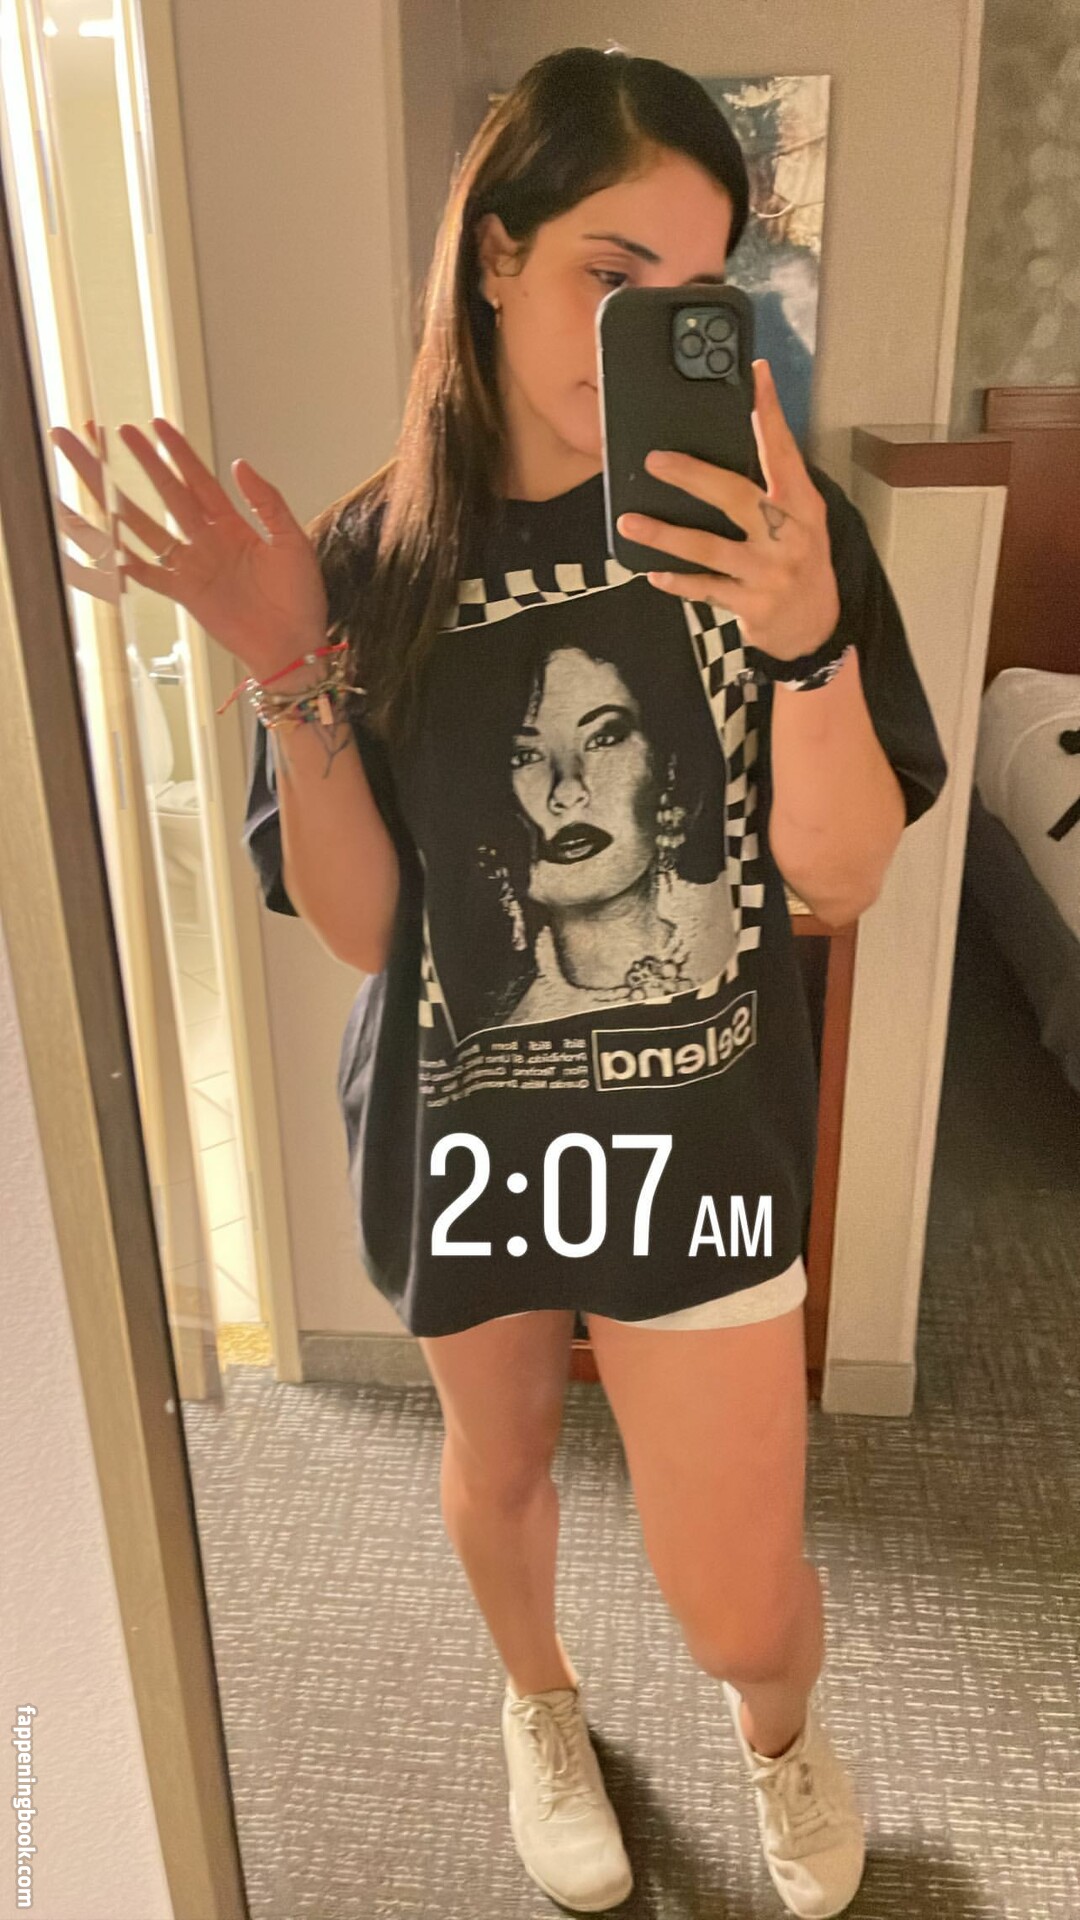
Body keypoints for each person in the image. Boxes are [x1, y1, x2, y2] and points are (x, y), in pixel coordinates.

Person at [55, 46, 948, 1918]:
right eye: (611, 275)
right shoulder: (379, 558)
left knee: (742, 1596)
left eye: (692, 293)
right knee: (505, 1450)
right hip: (468, 1119)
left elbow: (842, 873)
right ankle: (538, 1704)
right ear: (494, 255)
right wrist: (289, 675)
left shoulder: (778, 536)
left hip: (701, 1133)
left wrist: (805, 644)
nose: (643, 329)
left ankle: (779, 1731)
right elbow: (369, 929)